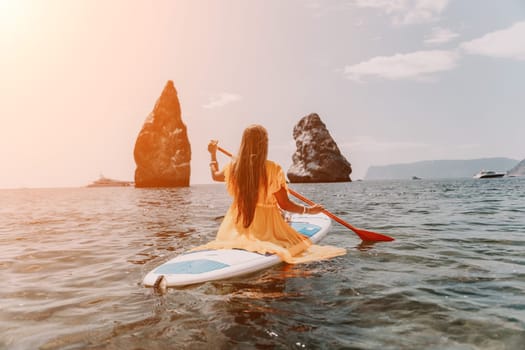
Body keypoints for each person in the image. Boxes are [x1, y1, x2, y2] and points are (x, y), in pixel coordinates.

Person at [195, 124, 346, 264]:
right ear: (264, 144)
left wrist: (213, 155)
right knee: (288, 227)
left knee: (280, 214)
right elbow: (285, 204)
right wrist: (309, 210)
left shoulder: (234, 167)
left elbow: (215, 175)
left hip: (234, 230)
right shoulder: (273, 169)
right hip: (266, 229)